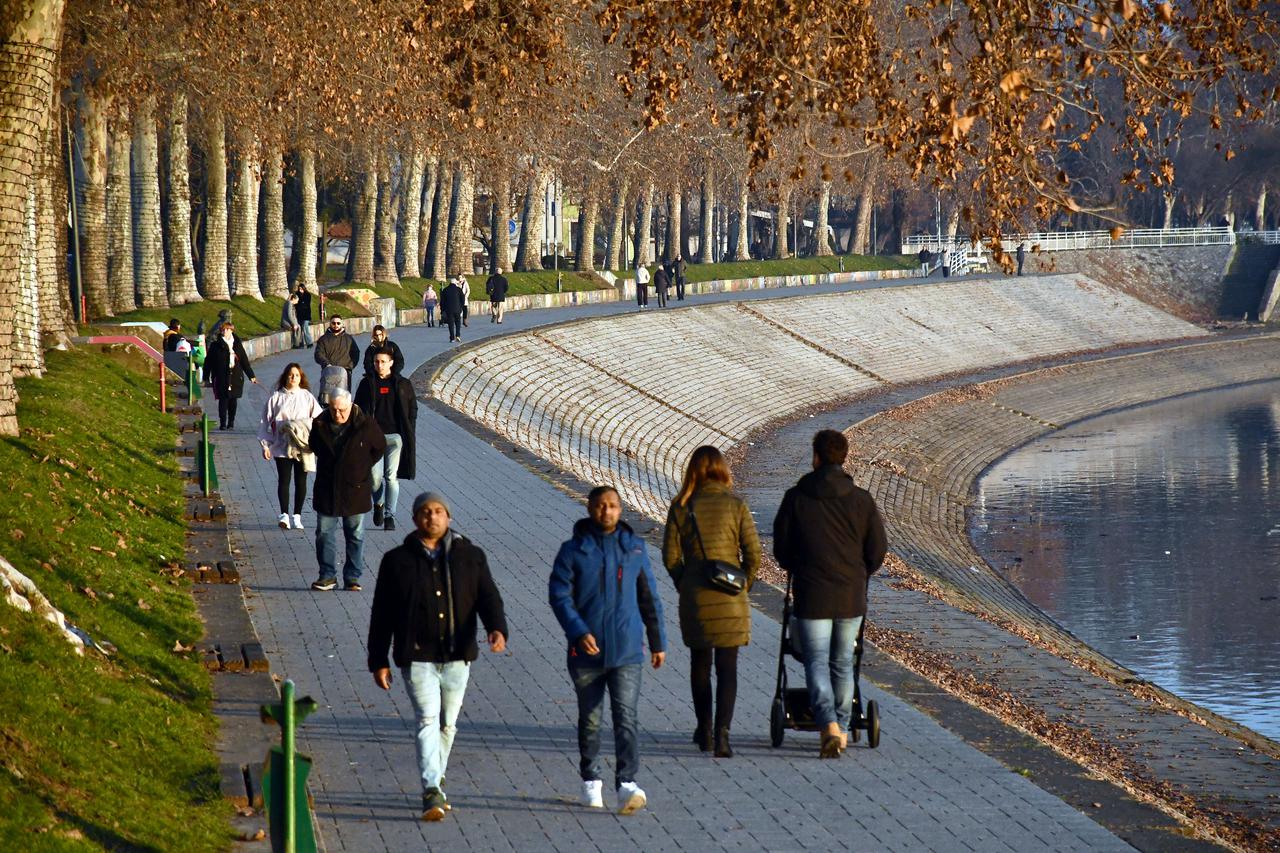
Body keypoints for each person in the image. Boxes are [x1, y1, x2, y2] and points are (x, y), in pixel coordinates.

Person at [368, 491, 509, 822]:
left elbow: (488, 596)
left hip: (458, 654)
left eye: (438, 511)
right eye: (425, 512)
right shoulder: (396, 561)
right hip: (416, 657)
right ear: (415, 519)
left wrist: (497, 628)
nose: (432, 517)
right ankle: (431, 787)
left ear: (448, 517)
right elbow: (382, 613)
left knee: (448, 724)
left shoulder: (470, 556)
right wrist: (378, 659)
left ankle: (437, 776)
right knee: (427, 720)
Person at [549, 485, 666, 815]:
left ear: (621, 509)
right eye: (601, 506)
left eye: (613, 506)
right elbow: (559, 595)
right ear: (590, 508)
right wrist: (577, 630)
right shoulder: (573, 551)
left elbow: (649, 598)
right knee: (590, 718)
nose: (607, 511)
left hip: (627, 650)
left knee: (626, 717)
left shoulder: (635, 549)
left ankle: (626, 782)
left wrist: (658, 642)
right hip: (585, 653)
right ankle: (591, 780)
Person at [772, 429, 887, 758]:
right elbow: (877, 549)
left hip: (811, 595)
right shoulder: (861, 500)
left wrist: (798, 565)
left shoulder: (796, 497)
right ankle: (843, 726)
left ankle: (829, 726)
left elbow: (782, 547)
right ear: (844, 458)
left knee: (816, 662)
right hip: (851, 595)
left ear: (816, 456)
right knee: (843, 662)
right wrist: (861, 571)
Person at [662, 446, 760, 758]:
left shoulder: (681, 506)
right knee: (727, 668)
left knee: (700, 665)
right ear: (722, 470)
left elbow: (670, 557)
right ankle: (723, 736)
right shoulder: (736, 504)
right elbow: (754, 555)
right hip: (731, 597)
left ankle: (703, 730)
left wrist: (685, 582)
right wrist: (742, 583)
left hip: (696, 597)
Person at [306, 387, 386, 592]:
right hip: (328, 488)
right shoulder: (320, 423)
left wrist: (361, 466)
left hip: (355, 488)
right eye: (333, 410)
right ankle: (327, 576)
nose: (338, 414)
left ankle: (352, 577)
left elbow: (379, 447)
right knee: (324, 533)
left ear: (350, 406)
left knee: (355, 534)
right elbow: (314, 445)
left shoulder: (366, 424)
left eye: (342, 410)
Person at [355, 351, 417, 532]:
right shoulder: (367, 384)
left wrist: (409, 430)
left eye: (383, 361)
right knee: (374, 478)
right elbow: (357, 410)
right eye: (376, 362)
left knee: (391, 477)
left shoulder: (402, 384)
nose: (379, 365)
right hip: (374, 439)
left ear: (391, 363)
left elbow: (413, 408)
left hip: (395, 438)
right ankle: (379, 504)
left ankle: (390, 515)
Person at [257, 363, 322, 530]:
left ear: (301, 378)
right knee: (284, 480)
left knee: (301, 481)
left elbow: (319, 419)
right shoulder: (275, 398)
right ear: (285, 376)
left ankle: (297, 515)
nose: (294, 378)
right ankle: (284, 514)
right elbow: (265, 422)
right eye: (291, 375)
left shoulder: (307, 396)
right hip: (281, 444)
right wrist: (266, 445)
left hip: (303, 446)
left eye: (297, 375)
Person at [205, 322, 258, 430]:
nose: (225, 332)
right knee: (223, 400)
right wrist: (205, 377)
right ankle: (223, 423)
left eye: (227, 330)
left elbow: (244, 361)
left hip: (235, 376)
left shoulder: (237, 345)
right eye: (223, 330)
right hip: (221, 376)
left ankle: (231, 422)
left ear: (231, 331)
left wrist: (251, 376)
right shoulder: (216, 346)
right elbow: (208, 362)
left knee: (233, 401)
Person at [314, 314, 360, 390]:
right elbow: (318, 353)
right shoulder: (323, 339)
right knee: (327, 398)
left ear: (342, 324)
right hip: (328, 372)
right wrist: (326, 364)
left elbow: (356, 353)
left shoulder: (349, 339)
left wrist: (350, 366)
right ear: (330, 324)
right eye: (333, 323)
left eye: (338, 323)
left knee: (344, 397)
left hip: (345, 373)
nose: (336, 325)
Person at [440, 277, 465, 342]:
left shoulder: (445, 290)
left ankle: (452, 338)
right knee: (458, 322)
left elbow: (442, 302)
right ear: (455, 283)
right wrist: (461, 308)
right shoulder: (459, 289)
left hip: (449, 310)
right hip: (457, 309)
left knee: (450, 324)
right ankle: (458, 335)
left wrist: (442, 310)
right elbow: (463, 299)